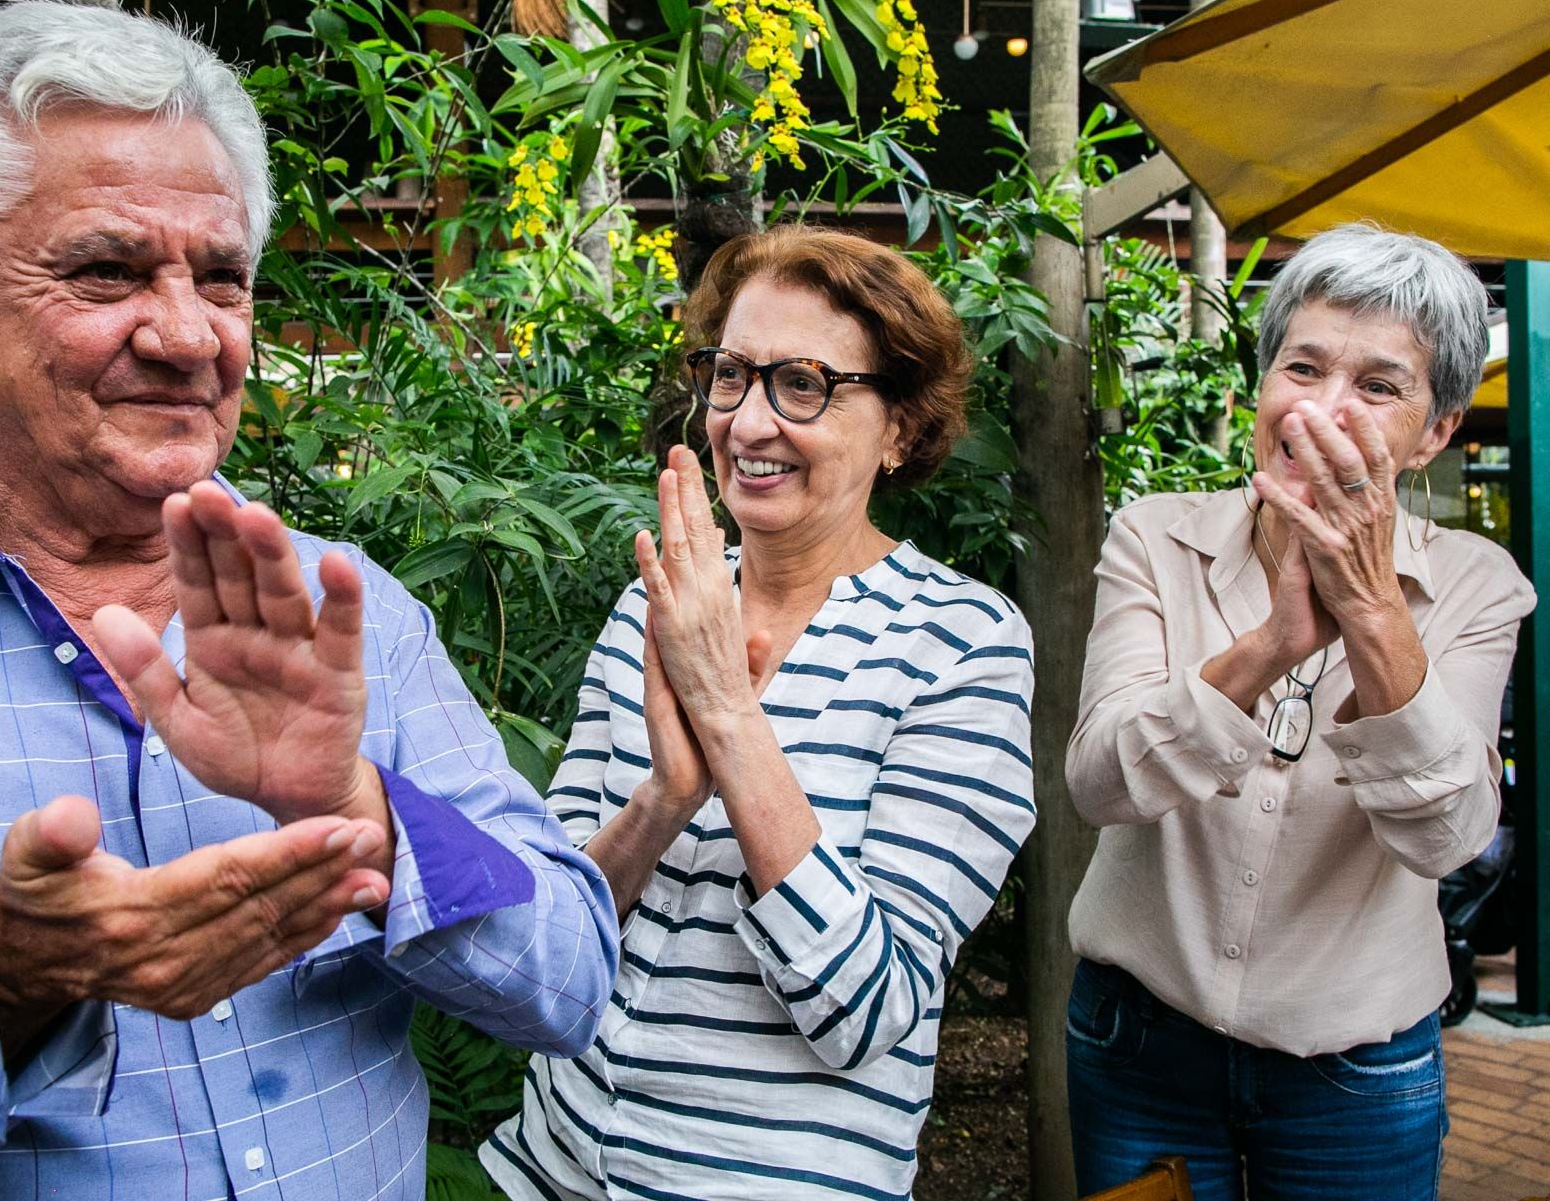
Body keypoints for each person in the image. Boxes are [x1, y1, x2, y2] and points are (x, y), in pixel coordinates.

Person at [0, 0, 616, 1199]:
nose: (189, 334)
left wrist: (355, 800)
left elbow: (570, 978)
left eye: (223, 276)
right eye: (106, 270)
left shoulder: (353, 618)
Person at [482, 226, 1038, 1200]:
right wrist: (664, 797)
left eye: (804, 383)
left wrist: (732, 721)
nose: (747, 420)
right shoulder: (658, 603)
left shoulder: (962, 642)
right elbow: (549, 932)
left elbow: (868, 1012)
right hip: (551, 1167)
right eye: (732, 374)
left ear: (901, 427)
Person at [1064, 223, 1534, 1199]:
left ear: (1437, 429)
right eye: (1303, 366)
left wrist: (1368, 610)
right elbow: (1100, 780)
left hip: (1356, 1070)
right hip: (1139, 1041)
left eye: (1378, 386)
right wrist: (1270, 645)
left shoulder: (1478, 586)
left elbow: (1451, 834)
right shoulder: (1155, 538)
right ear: (1260, 385)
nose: (1323, 411)